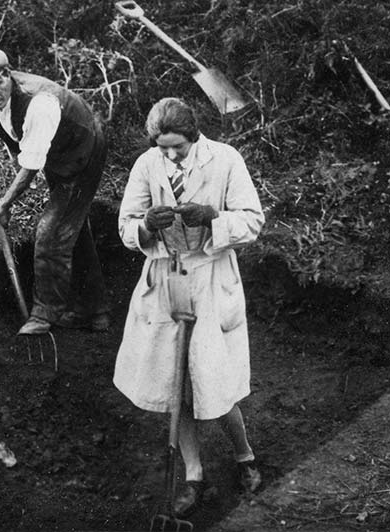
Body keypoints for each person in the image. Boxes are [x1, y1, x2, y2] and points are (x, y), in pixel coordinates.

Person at [113, 97, 265, 517]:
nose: (170, 154)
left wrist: (213, 216)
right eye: (163, 147)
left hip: (211, 279)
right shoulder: (147, 165)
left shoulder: (225, 160)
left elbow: (253, 220)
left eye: (177, 146)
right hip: (165, 279)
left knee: (214, 381)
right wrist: (145, 225)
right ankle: (194, 473)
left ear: (194, 136)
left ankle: (244, 456)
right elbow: (125, 225)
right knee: (172, 382)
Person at [0, 47, 109, 335]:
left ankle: (44, 314)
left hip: (82, 151)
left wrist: (3, 205)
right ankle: (96, 310)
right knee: (71, 228)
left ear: (8, 74)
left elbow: (29, 168)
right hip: (57, 154)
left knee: (51, 232)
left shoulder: (38, 103)